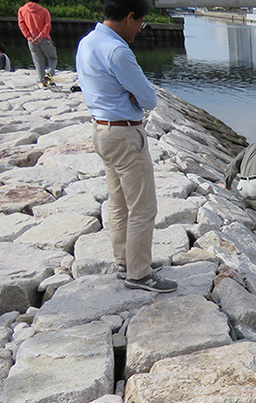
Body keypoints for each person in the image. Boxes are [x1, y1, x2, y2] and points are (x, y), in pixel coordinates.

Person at [76, 0, 177, 293]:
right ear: (130, 17)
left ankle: (126, 262)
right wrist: (131, 95)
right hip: (124, 135)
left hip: (102, 130)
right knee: (144, 207)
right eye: (141, 22)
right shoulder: (118, 50)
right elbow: (148, 99)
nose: (140, 29)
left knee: (119, 203)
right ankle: (140, 273)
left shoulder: (88, 41)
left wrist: (125, 94)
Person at [17, 0, 58, 87]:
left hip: (31, 40)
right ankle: (50, 73)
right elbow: (47, 25)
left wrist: (28, 36)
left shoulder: (22, 10)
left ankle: (43, 82)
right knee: (52, 57)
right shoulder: (44, 11)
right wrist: (40, 36)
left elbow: (21, 25)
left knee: (38, 61)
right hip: (45, 39)